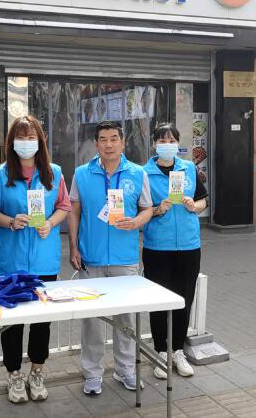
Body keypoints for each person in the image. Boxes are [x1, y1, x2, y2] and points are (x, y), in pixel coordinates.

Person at [0, 116, 71, 404]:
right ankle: (14, 374)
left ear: (40, 141)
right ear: (11, 142)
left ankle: (37, 372)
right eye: (20, 137)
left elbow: (63, 206)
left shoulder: (54, 173)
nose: (26, 142)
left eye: (31, 137)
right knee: (11, 322)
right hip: (10, 261)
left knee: (41, 322)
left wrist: (50, 222)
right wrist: (10, 222)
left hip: (44, 261)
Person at [68, 121, 153, 396]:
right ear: (96, 144)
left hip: (124, 259)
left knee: (126, 319)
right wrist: (73, 247)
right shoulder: (82, 174)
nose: (108, 144)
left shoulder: (137, 173)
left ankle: (125, 369)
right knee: (92, 320)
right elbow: (73, 212)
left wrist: (136, 222)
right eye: (103, 139)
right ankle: (92, 373)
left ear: (123, 142)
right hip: (90, 259)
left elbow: (147, 208)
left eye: (114, 139)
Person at [142, 123, 207, 379]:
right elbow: (139, 210)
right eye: (162, 140)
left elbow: (203, 200)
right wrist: (157, 209)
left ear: (178, 144)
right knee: (158, 302)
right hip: (158, 247)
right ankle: (160, 351)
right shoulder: (144, 173)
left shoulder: (188, 168)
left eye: (171, 140)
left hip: (189, 246)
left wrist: (194, 206)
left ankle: (178, 350)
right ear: (154, 144)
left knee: (183, 300)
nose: (167, 145)